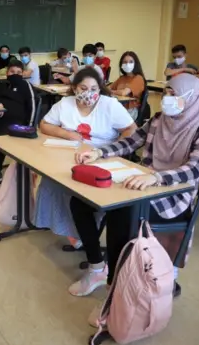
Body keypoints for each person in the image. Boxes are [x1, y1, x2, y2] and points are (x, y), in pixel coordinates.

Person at [71, 74, 199, 322]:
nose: (167, 99)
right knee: (81, 201)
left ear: (192, 100)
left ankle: (113, 291)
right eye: (167, 92)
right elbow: (130, 143)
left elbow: (194, 170)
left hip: (172, 194)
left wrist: (157, 178)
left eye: (174, 94)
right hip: (142, 181)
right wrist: (99, 152)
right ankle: (97, 267)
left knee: (121, 213)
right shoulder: (159, 120)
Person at [34, 68, 136, 246]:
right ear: (74, 88)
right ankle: (67, 228)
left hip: (102, 156)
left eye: (94, 89)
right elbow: (44, 125)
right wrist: (68, 134)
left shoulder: (109, 105)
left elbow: (131, 129)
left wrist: (113, 149)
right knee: (52, 179)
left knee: (79, 189)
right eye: (83, 88)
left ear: (100, 89)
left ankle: (82, 232)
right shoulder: (65, 104)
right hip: (71, 153)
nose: (88, 93)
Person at [108, 51, 146, 120]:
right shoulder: (121, 78)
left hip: (130, 110)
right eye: (125, 62)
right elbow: (107, 88)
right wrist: (110, 90)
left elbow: (124, 93)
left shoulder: (138, 78)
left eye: (131, 62)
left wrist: (111, 91)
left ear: (135, 64)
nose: (127, 64)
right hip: (119, 107)